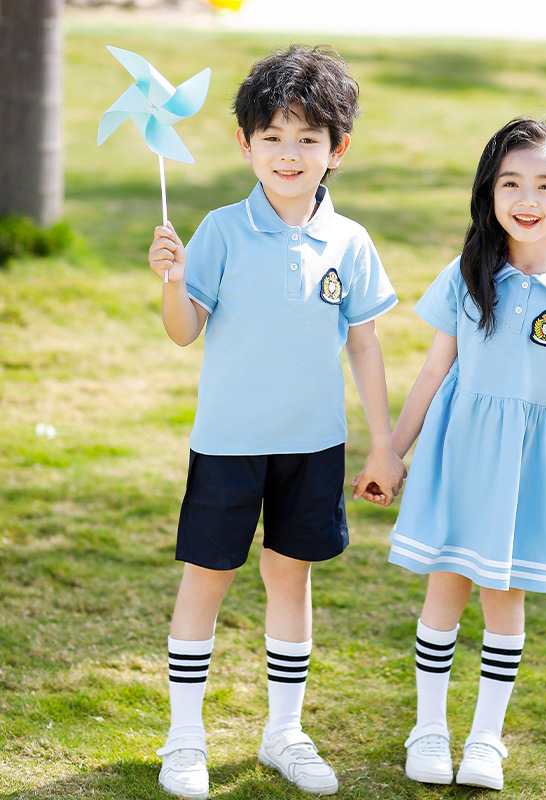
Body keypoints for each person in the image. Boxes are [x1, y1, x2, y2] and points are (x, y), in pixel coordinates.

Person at [148, 45, 406, 800]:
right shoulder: (221, 230)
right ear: (244, 143)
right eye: (272, 137)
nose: (288, 154)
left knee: (290, 581)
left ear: (338, 150)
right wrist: (170, 280)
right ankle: (184, 741)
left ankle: (284, 733)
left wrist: (384, 442)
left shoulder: (350, 242)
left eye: (307, 139)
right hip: (228, 444)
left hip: (314, 444)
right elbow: (183, 330)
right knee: (208, 579)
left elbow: (364, 342)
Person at [381, 117, 546, 790]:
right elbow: (433, 372)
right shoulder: (470, 271)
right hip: (460, 451)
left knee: (504, 598)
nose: (527, 199)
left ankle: (485, 739)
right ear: (489, 191)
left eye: (545, 185)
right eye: (511, 183)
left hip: (529, 464)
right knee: (445, 588)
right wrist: (391, 452)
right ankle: (430, 728)